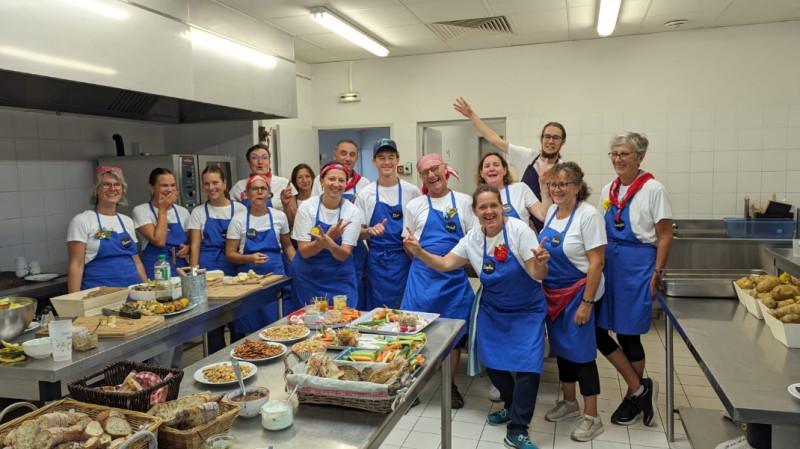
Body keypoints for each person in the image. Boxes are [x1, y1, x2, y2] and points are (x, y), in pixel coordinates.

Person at [404, 185, 549, 449]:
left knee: (529, 367)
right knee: (491, 362)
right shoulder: (472, 238)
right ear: (475, 211)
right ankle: (510, 403)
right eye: (483, 207)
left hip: (526, 309)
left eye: (493, 205)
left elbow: (537, 274)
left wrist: (540, 262)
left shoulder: (518, 230)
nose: (489, 211)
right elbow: (445, 263)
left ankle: (518, 428)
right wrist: (419, 251)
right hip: (493, 309)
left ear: (501, 206)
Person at [595, 132, 673, 427]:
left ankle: (632, 397)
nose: (618, 159)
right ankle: (641, 388)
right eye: (614, 153)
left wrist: (657, 272)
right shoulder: (608, 190)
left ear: (640, 157)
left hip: (638, 266)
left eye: (624, 153)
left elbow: (665, 235)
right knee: (598, 331)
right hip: (610, 265)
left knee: (629, 335)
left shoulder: (653, 189)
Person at [401, 153, 478, 409]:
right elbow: (408, 243)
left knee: (453, 335)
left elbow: (474, 238)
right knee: (415, 332)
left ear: (445, 170)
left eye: (435, 169)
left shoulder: (464, 201)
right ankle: (411, 384)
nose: (431, 175)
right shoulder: (415, 206)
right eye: (425, 172)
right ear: (421, 177)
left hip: (453, 279)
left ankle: (450, 384)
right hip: (422, 279)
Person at [539, 162, 607, 442]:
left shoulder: (589, 216)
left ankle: (592, 416)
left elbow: (597, 263)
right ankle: (569, 403)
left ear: (577, 186)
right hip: (554, 293)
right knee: (562, 350)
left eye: (563, 184)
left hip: (580, 292)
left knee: (581, 355)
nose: (556, 189)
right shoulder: (553, 212)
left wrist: (587, 303)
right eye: (552, 184)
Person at [454, 97, 565, 231]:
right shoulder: (527, 156)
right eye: (547, 137)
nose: (551, 141)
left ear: (563, 142)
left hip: (553, 223)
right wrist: (472, 116)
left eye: (556, 138)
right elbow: (494, 140)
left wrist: (543, 184)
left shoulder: (563, 170)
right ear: (541, 139)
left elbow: (548, 213)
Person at [226, 175, 296, 341]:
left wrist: (300, 265)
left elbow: (287, 246)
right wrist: (249, 258)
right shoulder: (238, 220)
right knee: (251, 335)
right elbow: (230, 254)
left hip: (275, 281)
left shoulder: (279, 217)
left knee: (278, 328)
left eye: (263, 188)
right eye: (254, 189)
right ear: (247, 194)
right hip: (250, 285)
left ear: (269, 193)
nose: (259, 192)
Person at [356, 138, 421, 310]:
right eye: (381, 157)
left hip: (405, 258)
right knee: (378, 311)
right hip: (377, 261)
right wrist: (369, 231)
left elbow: (420, 228)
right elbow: (357, 232)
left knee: (405, 310)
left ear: (397, 159)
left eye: (391, 157)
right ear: (374, 161)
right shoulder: (365, 194)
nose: (386, 162)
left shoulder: (412, 191)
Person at [187, 166, 247, 353]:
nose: (211, 187)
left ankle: (242, 357)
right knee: (213, 322)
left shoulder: (239, 208)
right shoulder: (198, 212)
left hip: (235, 265)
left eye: (215, 183)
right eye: (207, 184)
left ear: (224, 183)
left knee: (238, 319)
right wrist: (193, 274)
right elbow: (195, 245)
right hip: (209, 267)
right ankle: (215, 362)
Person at [292, 162, 363, 308]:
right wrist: (325, 240)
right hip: (309, 277)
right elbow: (304, 251)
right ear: (321, 181)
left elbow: (343, 254)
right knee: (310, 323)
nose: (336, 184)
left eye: (341, 180)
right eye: (331, 179)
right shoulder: (307, 207)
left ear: (346, 184)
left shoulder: (352, 212)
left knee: (344, 321)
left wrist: (329, 243)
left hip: (339, 278)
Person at [311, 140, 371, 308]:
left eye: (352, 155)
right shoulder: (320, 180)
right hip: (323, 243)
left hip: (354, 246)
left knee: (353, 290)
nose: (347, 158)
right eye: (343, 153)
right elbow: (314, 209)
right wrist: (323, 239)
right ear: (334, 155)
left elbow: (364, 219)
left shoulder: (364, 184)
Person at [67, 166, 147, 292]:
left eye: (117, 185)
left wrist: (148, 290)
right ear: (96, 189)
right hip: (100, 297)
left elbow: (136, 261)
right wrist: (74, 303)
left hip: (134, 295)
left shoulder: (127, 221)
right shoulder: (82, 221)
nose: (112, 189)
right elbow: (76, 265)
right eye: (106, 185)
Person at [133, 168, 190, 278]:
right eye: (164, 185)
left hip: (180, 271)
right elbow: (159, 241)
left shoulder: (182, 212)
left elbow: (192, 242)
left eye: (173, 185)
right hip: (155, 271)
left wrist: (188, 248)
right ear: (151, 187)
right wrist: (162, 210)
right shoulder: (141, 210)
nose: (169, 190)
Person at [476, 152, 552, 226]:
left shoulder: (520, 189)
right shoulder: (477, 199)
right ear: (482, 173)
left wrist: (543, 184)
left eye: (496, 165)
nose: (491, 169)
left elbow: (544, 216)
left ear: (504, 170)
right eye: (487, 166)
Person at [230, 143, 295, 212]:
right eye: (254, 158)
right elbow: (229, 211)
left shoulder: (284, 184)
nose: (260, 162)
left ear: (269, 162)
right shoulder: (239, 186)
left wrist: (286, 205)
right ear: (248, 163)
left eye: (264, 157)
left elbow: (294, 218)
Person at [284, 163, 315, 228]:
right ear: (295, 181)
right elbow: (292, 224)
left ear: (312, 178)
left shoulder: (319, 197)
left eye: (307, 176)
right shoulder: (292, 199)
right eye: (300, 177)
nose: (304, 180)